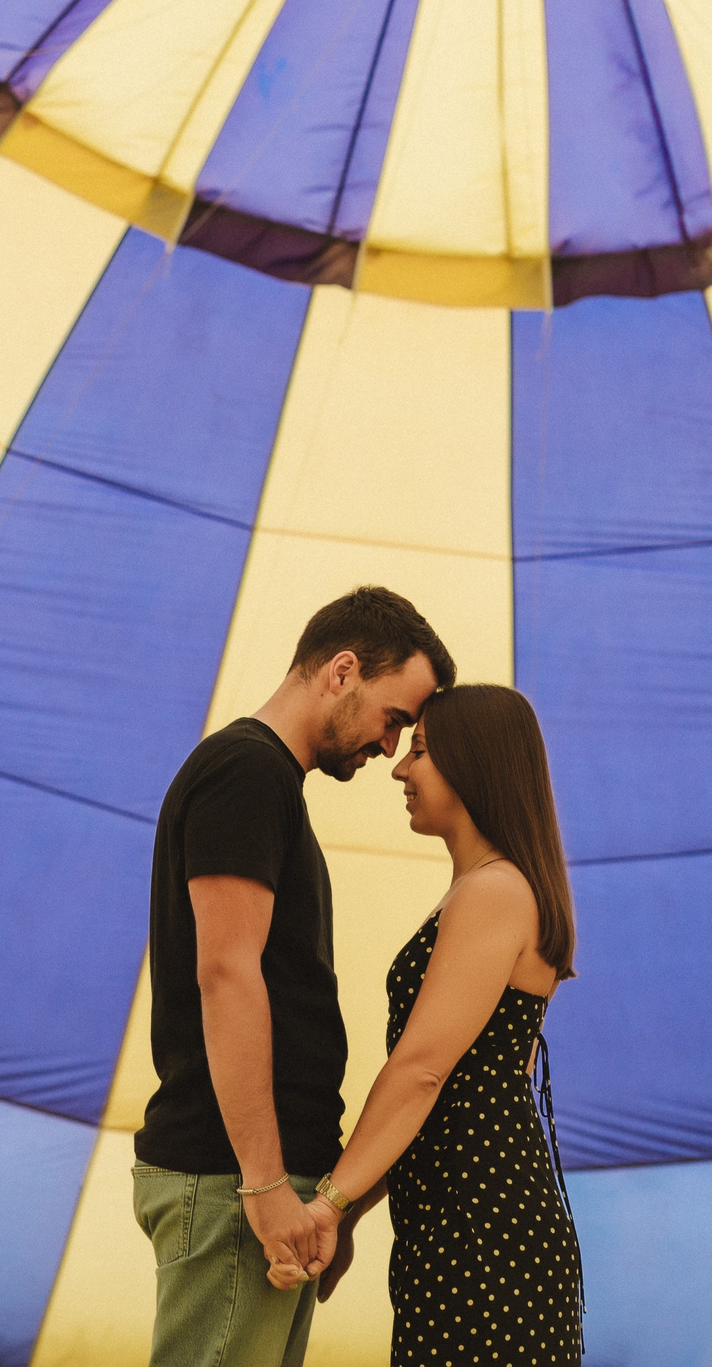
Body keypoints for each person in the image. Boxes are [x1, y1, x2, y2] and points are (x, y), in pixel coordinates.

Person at [134, 586, 457, 1367]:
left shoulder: (272, 785)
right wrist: (265, 1183)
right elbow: (226, 972)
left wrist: (316, 1198)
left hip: (261, 1181)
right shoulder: (245, 771)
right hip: (231, 1178)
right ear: (342, 670)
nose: (390, 749)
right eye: (395, 719)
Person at [277, 683, 585, 1366]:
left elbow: (422, 1071)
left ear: (473, 764)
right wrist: (353, 1207)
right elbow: (446, 1098)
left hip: (485, 1236)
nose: (399, 768)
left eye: (419, 750)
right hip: (461, 1229)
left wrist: (327, 1204)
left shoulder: (496, 891)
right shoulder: (487, 889)